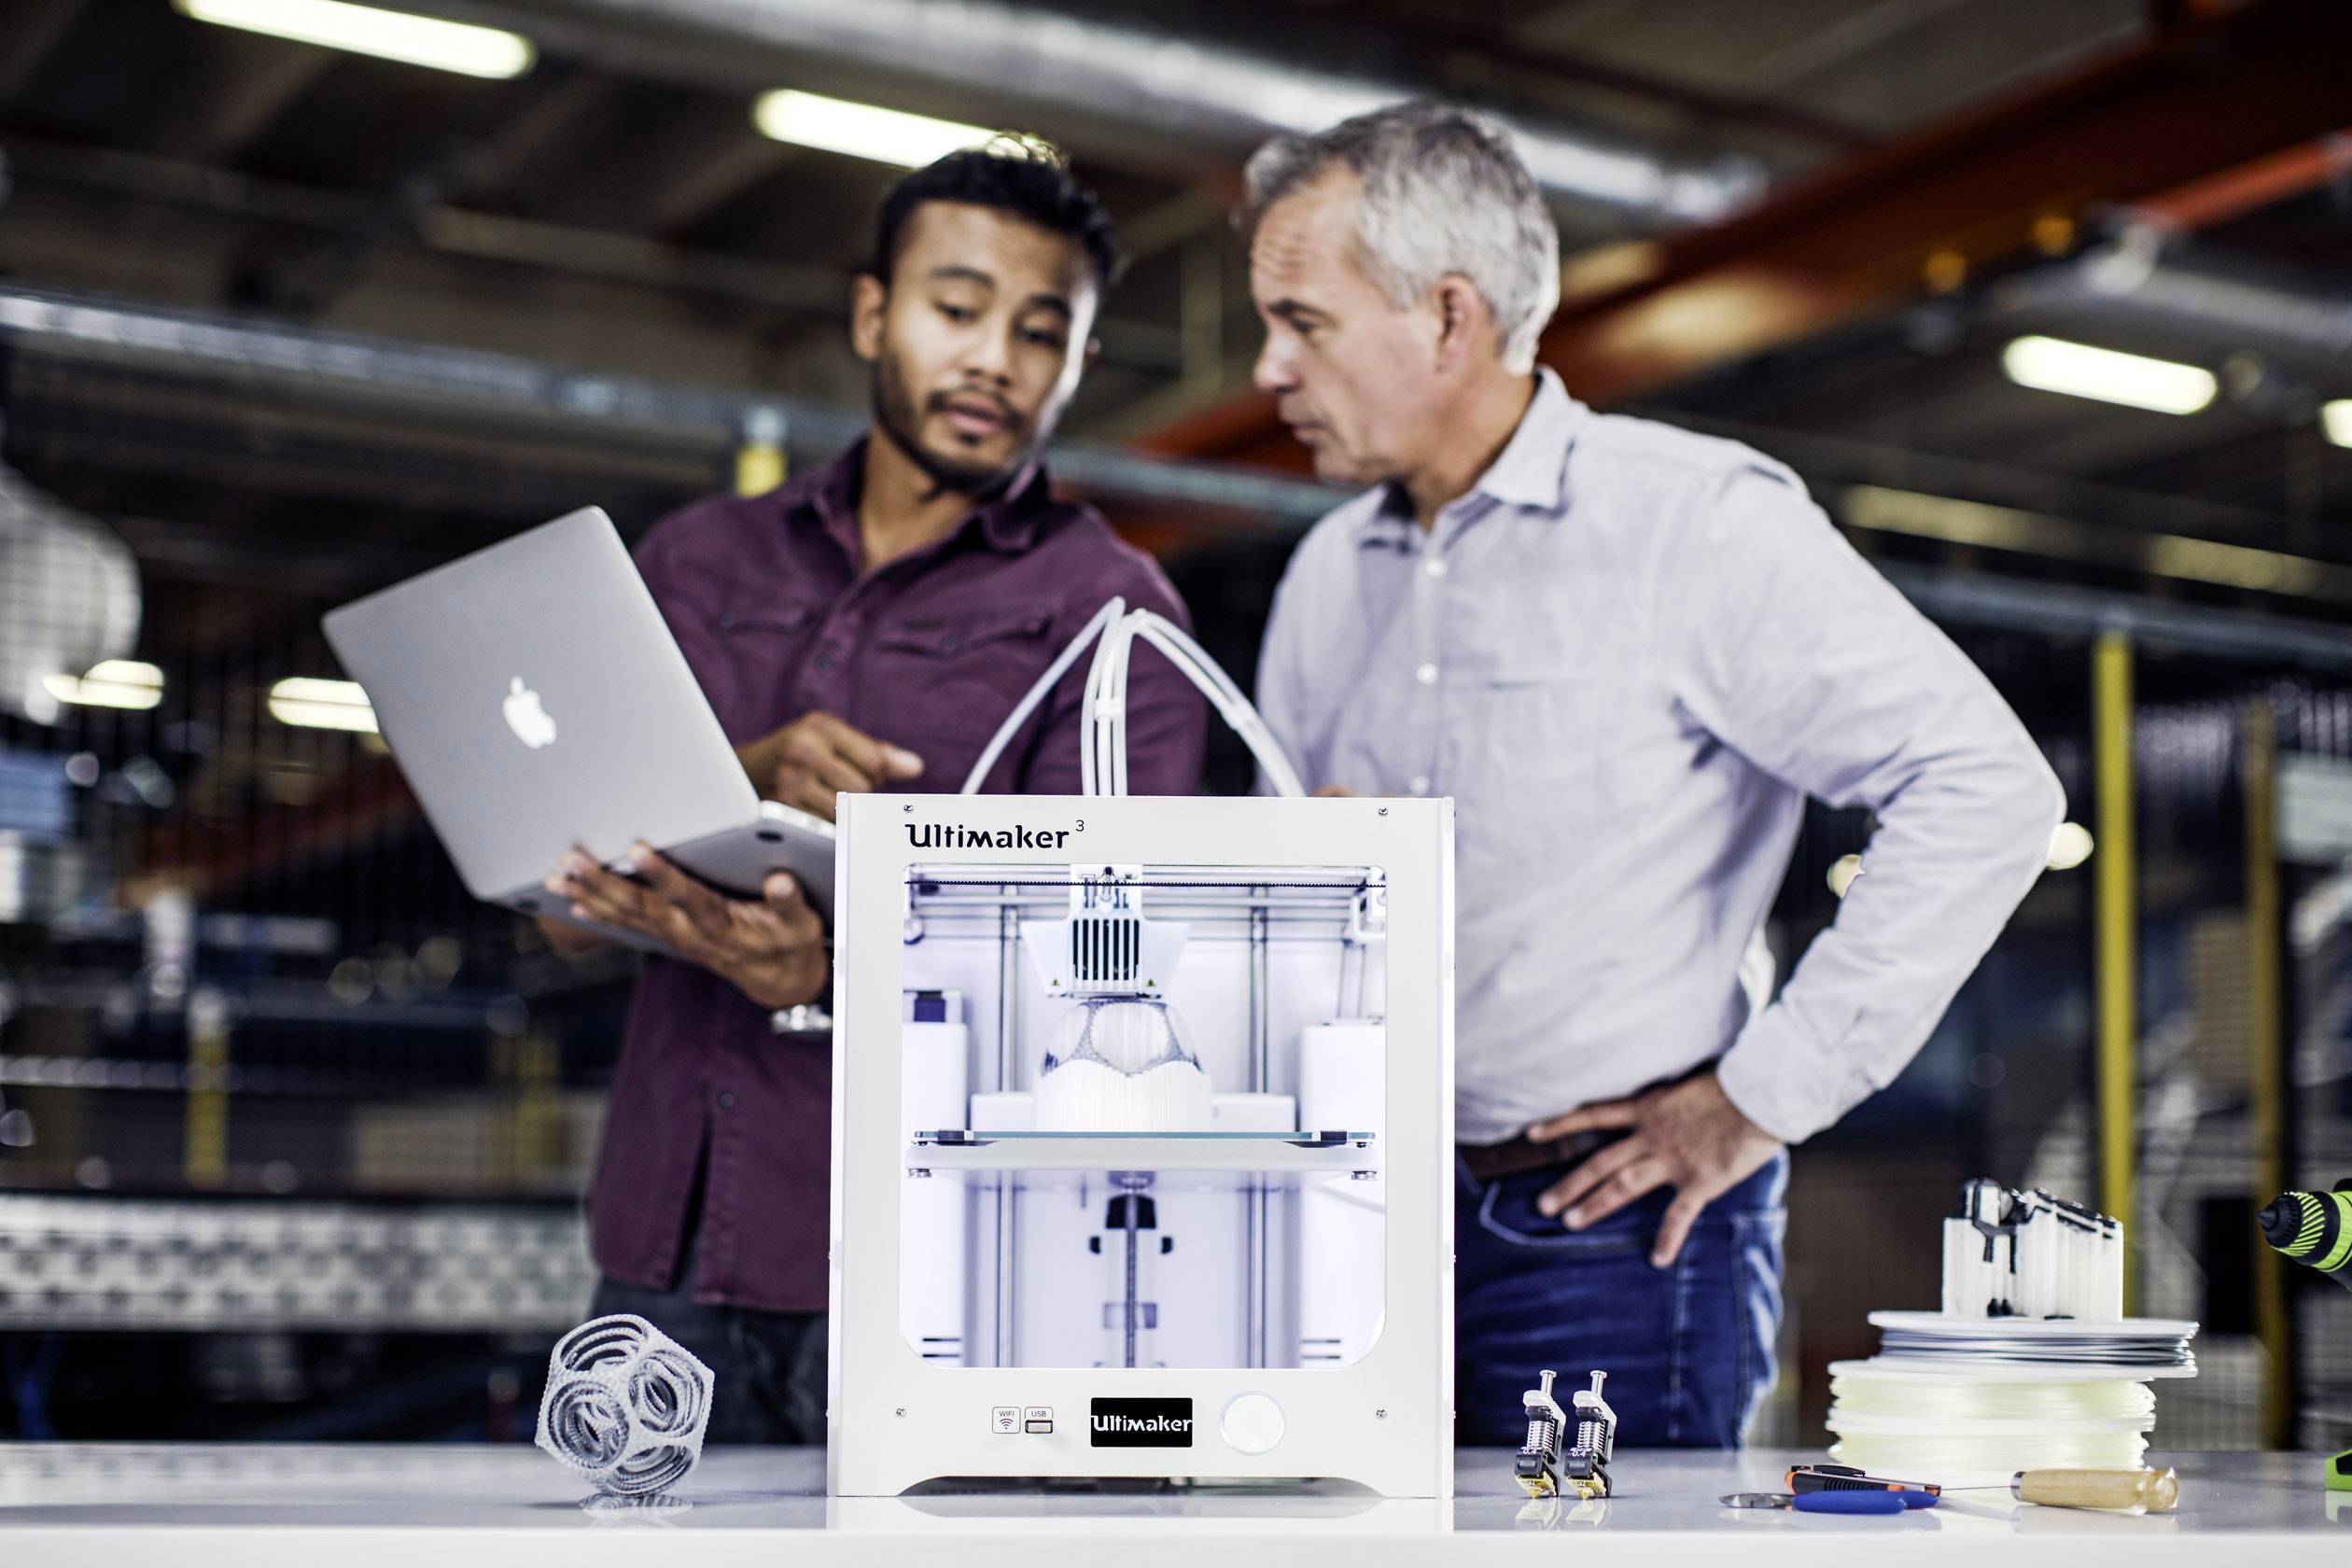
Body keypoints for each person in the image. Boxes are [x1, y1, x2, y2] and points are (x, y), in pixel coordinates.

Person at [1240, 103, 2063, 1447]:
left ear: (1449, 317)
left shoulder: (1693, 526)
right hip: (1354, 1223)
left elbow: (1984, 786)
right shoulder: (1328, 573)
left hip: (1613, 1243)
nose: (1270, 367)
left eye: (1302, 321)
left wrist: (1760, 1098)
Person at [539, 137, 1207, 1443]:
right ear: (871, 313)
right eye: (957, 309)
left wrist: (830, 975)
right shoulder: (700, 562)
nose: (994, 361)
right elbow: (562, 908)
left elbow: (1120, 981)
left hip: (943, 1284)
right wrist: (736, 777)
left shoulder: (1113, 615)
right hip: (661, 1265)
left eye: (1040, 331)